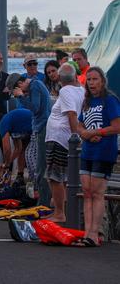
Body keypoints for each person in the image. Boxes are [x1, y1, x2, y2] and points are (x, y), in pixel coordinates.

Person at [76, 67, 120, 246]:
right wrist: (84, 132)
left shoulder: (109, 100)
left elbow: (117, 126)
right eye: (89, 80)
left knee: (97, 192)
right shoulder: (87, 101)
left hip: (104, 151)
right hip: (87, 151)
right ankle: (87, 232)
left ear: (102, 81)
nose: (92, 83)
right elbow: (79, 124)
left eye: (95, 79)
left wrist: (98, 132)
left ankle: (95, 233)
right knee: (86, 191)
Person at [45, 63, 85, 223]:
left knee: (55, 177)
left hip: (58, 138)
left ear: (61, 79)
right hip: (63, 138)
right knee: (65, 177)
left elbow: (72, 114)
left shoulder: (66, 91)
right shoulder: (81, 90)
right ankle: (63, 210)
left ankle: (59, 213)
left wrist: (76, 137)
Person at [6, 73, 52, 206]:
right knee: (32, 160)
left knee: (40, 166)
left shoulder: (35, 85)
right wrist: (21, 97)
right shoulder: (32, 86)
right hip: (38, 128)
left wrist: (20, 96)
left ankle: (43, 202)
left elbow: (35, 108)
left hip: (43, 127)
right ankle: (40, 197)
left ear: (20, 84)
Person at [0, 109, 33, 183]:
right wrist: (6, 164)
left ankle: (36, 183)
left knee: (30, 156)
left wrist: (6, 165)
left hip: (37, 126)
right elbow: (18, 148)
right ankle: (20, 175)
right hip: (32, 126)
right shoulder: (11, 123)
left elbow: (7, 149)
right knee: (23, 151)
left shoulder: (2, 123)